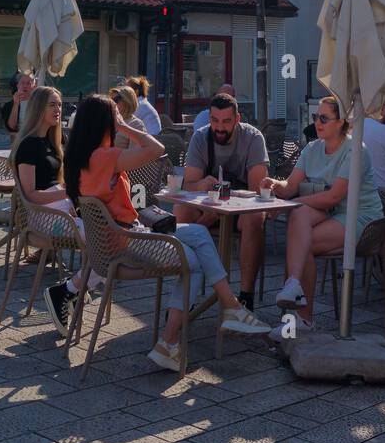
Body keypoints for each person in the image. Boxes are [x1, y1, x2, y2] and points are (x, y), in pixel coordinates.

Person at [65, 94, 270, 370]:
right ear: (104, 123)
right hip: (128, 241)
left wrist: (118, 124)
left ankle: (229, 308)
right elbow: (156, 147)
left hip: (117, 239)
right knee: (193, 264)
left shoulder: (81, 158)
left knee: (198, 235)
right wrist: (125, 127)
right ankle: (170, 339)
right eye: (115, 117)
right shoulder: (105, 157)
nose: (119, 121)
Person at [264, 96, 383, 337]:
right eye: (315, 117)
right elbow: (290, 187)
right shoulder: (312, 148)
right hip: (332, 214)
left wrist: (292, 202)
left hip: (360, 217)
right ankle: (295, 293)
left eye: (324, 118)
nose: (317, 122)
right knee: (299, 224)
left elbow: (333, 197)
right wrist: (274, 184)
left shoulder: (355, 149)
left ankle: (301, 316)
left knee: (300, 239)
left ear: (341, 122)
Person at [12, 85, 104, 335]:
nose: (58, 109)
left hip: (62, 212)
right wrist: (69, 192)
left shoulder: (56, 141)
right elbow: (31, 194)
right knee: (106, 244)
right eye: (52, 104)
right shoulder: (29, 145)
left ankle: (72, 291)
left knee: (111, 241)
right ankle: (69, 292)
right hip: (43, 217)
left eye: (60, 104)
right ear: (38, 108)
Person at [176, 91, 268, 311]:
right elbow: (188, 184)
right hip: (207, 207)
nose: (219, 127)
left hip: (241, 211)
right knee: (181, 210)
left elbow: (257, 191)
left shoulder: (253, 138)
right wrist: (200, 185)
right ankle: (183, 295)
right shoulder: (201, 137)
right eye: (215, 120)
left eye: (226, 121)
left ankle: (245, 297)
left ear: (237, 119)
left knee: (255, 217)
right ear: (209, 119)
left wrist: (226, 200)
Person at [110, 83, 148, 148]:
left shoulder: (136, 124)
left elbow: (135, 155)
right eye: (111, 100)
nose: (113, 103)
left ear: (127, 101)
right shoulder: (110, 120)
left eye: (116, 100)